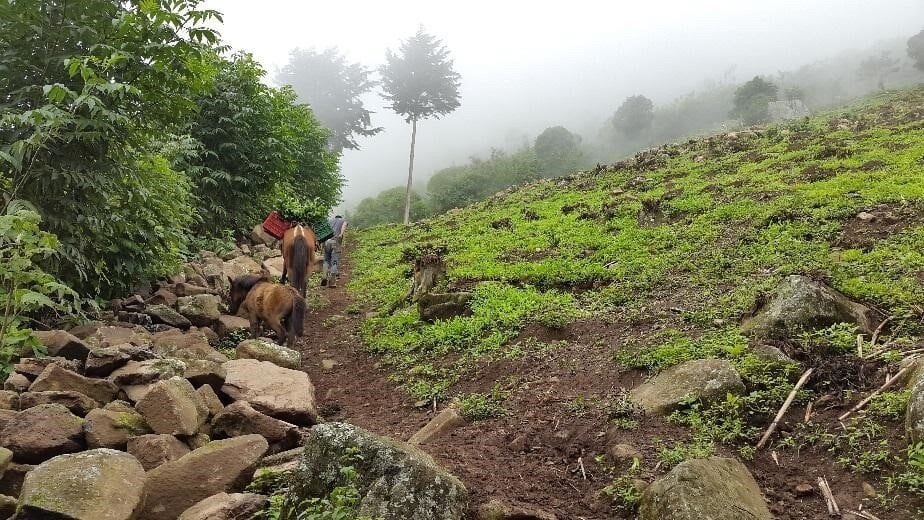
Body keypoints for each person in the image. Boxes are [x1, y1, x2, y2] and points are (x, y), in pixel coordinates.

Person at [321, 214, 346, 288]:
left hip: (327, 242)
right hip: (336, 242)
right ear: (340, 218)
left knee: (326, 260)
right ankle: (332, 282)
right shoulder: (343, 221)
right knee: (334, 261)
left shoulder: (329, 221)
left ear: (335, 217)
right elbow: (344, 226)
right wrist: (341, 234)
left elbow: (324, 231)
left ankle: (324, 276)